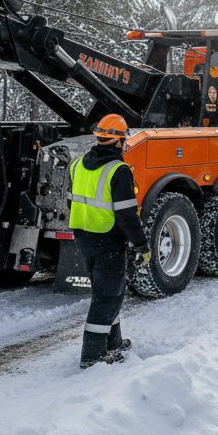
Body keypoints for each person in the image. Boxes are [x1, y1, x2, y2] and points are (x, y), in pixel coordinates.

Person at [68, 114, 150, 368]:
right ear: (118, 142)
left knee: (106, 291)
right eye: (124, 140)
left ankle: (112, 343)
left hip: (84, 237)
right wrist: (141, 245)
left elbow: (71, 201)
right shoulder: (118, 170)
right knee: (108, 296)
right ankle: (92, 356)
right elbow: (127, 216)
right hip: (107, 240)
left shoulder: (78, 164)